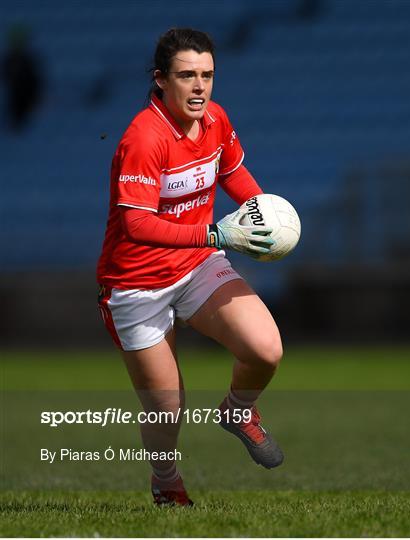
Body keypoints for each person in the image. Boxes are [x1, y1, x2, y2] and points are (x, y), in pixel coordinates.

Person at [97, 28, 284, 507]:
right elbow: (137, 225)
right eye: (186, 76)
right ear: (161, 80)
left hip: (196, 264)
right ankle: (166, 483)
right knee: (167, 405)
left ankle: (239, 412)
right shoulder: (144, 137)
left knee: (265, 348)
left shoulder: (216, 120)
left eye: (207, 75)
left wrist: (264, 214)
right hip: (136, 284)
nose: (199, 86)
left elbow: (232, 172)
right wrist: (217, 235)